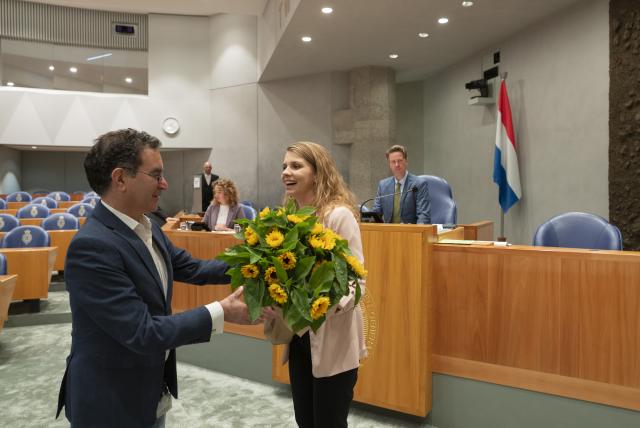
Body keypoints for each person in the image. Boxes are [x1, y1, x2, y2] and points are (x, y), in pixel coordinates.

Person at [56, 129, 256, 428]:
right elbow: (143, 332)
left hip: (148, 389)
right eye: (156, 174)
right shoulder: (92, 247)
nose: (164, 184)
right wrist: (222, 312)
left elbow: (194, 268)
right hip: (109, 402)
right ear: (120, 178)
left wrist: (257, 263)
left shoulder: (148, 226)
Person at [267, 141, 367, 427]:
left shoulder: (338, 216)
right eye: (284, 166)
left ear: (317, 172)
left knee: (328, 423)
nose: (287, 171)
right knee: (305, 421)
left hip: (333, 338)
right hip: (299, 339)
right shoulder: (286, 218)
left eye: (296, 166)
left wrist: (320, 307)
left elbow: (356, 281)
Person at [371, 144, 431, 224]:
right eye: (393, 162)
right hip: (389, 233)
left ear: (406, 161)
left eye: (399, 161)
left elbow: (423, 216)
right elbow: (376, 214)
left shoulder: (419, 184)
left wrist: (417, 233)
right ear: (389, 164)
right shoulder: (383, 185)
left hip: (411, 233)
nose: (397, 165)